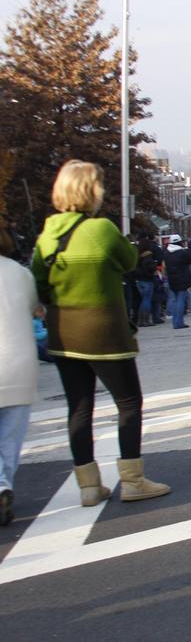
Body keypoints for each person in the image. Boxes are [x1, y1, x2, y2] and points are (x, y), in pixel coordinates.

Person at [31, 159, 170, 506]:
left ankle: (88, 485)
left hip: (63, 332)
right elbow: (129, 260)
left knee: (78, 408)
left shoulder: (47, 234)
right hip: (105, 331)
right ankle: (133, 479)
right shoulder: (102, 230)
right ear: (90, 191)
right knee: (128, 403)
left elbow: (39, 284)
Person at [0, 222, 40, 525]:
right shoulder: (19, 272)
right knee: (10, 437)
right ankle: (3, 484)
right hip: (17, 363)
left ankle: (1, 485)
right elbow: (33, 308)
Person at [164, 235, 191, 329]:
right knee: (181, 300)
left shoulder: (167, 253)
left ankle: (175, 322)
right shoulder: (182, 253)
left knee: (174, 300)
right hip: (182, 278)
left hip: (171, 279)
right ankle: (179, 322)